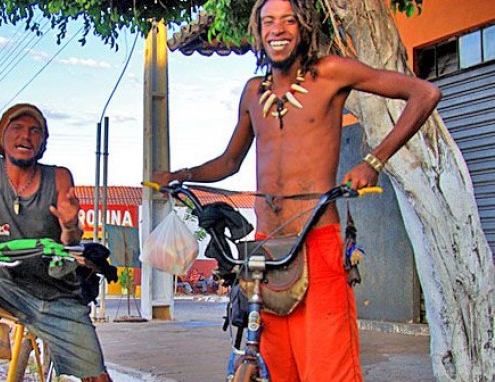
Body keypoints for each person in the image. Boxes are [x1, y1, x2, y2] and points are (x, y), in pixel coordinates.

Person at [152, 0, 441, 381]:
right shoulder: (254, 92)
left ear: (304, 26)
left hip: (317, 241)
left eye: (289, 20)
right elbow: (231, 162)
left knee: (329, 368)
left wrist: (374, 161)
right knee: (276, 367)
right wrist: (181, 174)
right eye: (269, 21)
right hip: (265, 248)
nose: (278, 29)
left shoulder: (331, 72)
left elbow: (424, 94)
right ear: (258, 30)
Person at [0, 103, 112, 381]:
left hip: (56, 293)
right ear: (1, 138)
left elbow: (71, 239)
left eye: (35, 131)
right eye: (16, 128)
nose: (25, 136)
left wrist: (69, 225)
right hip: (6, 284)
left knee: (97, 377)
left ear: (42, 144)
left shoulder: (59, 177)